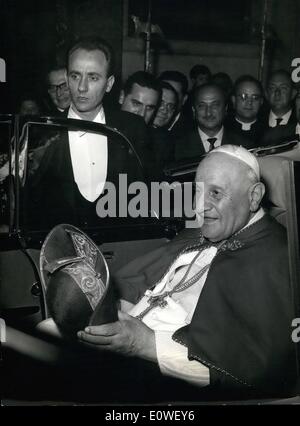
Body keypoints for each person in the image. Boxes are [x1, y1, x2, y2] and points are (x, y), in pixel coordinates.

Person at [78, 144, 296, 397]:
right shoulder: (201, 231)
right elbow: (143, 284)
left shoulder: (274, 257)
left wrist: (143, 343)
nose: (199, 207)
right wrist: (109, 310)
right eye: (198, 191)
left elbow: (246, 366)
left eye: (215, 193)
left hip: (162, 378)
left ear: (254, 196)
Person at [28, 37, 149, 229]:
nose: (82, 87)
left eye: (93, 77)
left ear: (109, 84)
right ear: (67, 78)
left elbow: (145, 201)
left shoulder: (132, 129)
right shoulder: (40, 131)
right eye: (75, 76)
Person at [174, 83, 254, 160]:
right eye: (202, 106)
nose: (208, 112)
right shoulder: (176, 146)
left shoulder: (243, 146)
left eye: (215, 105)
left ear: (225, 109)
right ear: (194, 111)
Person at [225, 75, 265, 146]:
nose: (249, 102)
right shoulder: (222, 129)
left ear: (261, 102)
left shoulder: (268, 132)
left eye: (255, 97)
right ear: (234, 100)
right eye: (244, 97)